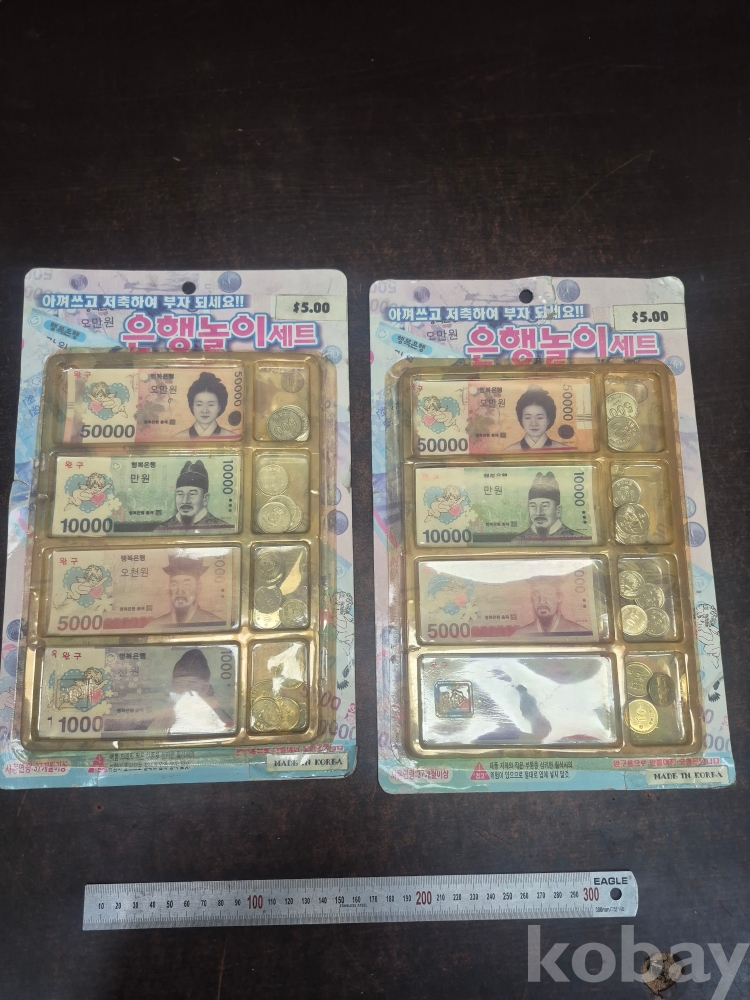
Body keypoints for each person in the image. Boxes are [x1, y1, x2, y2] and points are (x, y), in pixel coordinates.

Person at [147, 648, 234, 734]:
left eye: (191, 683)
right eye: (178, 683)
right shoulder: (169, 710)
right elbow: (153, 733)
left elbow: (228, 730)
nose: (184, 688)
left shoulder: (214, 710)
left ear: (204, 687)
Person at [151, 554, 224, 626]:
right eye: (174, 585)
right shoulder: (155, 625)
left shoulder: (215, 623)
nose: (180, 592)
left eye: (186, 585)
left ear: (198, 588)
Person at [513, 471, 585, 541]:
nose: (538, 513)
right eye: (533, 506)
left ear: (558, 511)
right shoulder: (518, 540)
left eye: (544, 506)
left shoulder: (579, 539)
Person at [159, 460, 230, 529]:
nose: (185, 501)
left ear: (205, 499)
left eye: (192, 494)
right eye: (180, 494)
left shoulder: (223, 528)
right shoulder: (162, 529)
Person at [512, 577, 591, 636]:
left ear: (559, 597)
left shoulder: (581, 633)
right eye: (536, 594)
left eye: (548, 594)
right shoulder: (519, 635)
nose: (541, 601)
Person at [505, 387, 571, 451]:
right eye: (528, 418)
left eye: (540, 418)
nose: (534, 424)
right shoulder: (509, 451)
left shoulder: (565, 450)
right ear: (521, 420)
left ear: (548, 420)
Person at [174, 371, 235, 438]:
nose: (205, 411)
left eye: (211, 405)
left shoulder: (231, 437)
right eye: (199, 404)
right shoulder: (178, 438)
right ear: (192, 407)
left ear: (219, 407)